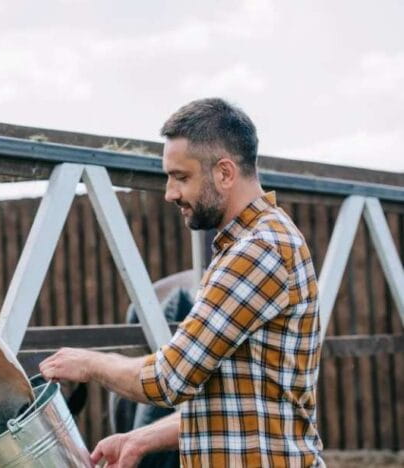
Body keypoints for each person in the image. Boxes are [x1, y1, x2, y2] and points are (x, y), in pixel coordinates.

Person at [40, 98, 324, 467]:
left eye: (181, 177)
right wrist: (140, 438)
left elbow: (168, 379)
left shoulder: (258, 251)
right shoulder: (248, 245)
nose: (170, 193)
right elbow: (234, 398)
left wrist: (90, 363)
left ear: (224, 173)